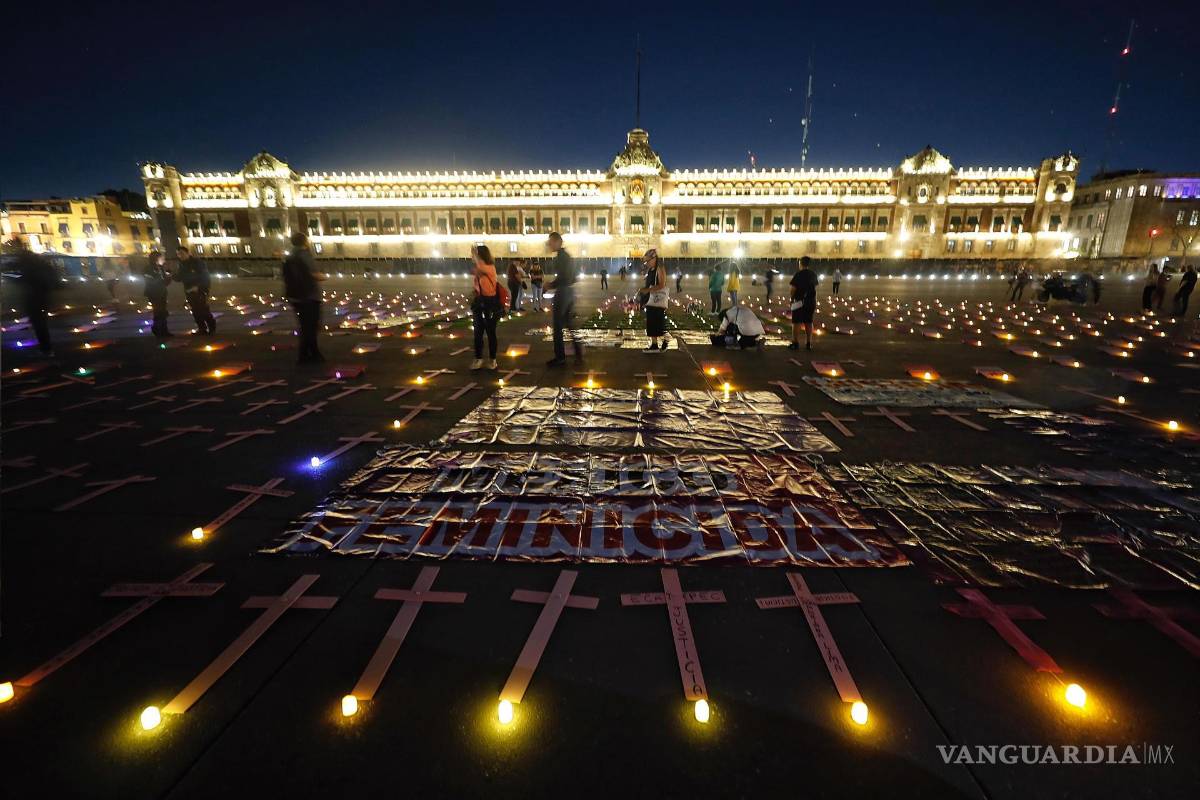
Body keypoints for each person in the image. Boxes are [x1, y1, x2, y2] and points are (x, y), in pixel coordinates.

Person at [282, 232, 326, 363]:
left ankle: (309, 353)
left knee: (304, 325)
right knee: (311, 326)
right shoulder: (304, 255)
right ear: (305, 241)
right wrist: (322, 277)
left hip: (295, 297)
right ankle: (307, 355)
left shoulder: (289, 256)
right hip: (309, 296)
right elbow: (314, 274)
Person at [10, 237, 58, 355]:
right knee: (40, 321)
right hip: (42, 295)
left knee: (38, 322)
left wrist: (15, 279)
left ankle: (46, 348)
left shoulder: (26, 263)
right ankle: (46, 347)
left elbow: (24, 277)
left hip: (34, 296)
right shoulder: (36, 261)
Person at [544, 232, 582, 366]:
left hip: (563, 292)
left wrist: (551, 285)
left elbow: (564, 277)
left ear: (558, 242)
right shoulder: (568, 257)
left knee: (558, 326)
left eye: (551, 242)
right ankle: (578, 352)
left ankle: (560, 357)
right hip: (569, 292)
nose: (549, 245)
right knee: (569, 325)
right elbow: (574, 276)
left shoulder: (561, 258)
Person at [469, 244, 501, 370]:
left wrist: (474, 253)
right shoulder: (480, 267)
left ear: (481, 255)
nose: (472, 257)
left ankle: (493, 359)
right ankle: (478, 359)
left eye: (476, 254)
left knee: (490, 332)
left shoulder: (489, 267)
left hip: (490, 303)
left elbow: (479, 268)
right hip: (479, 302)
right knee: (477, 332)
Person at [177, 246, 216, 334]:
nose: (180, 256)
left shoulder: (197, 262)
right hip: (189, 291)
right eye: (179, 254)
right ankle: (202, 328)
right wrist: (171, 275)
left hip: (200, 291)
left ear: (188, 253)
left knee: (204, 310)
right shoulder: (181, 265)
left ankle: (212, 328)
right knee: (195, 311)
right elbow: (180, 277)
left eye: (182, 254)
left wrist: (200, 287)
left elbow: (205, 276)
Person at [637, 249, 669, 353]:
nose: (646, 263)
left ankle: (666, 337)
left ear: (654, 258)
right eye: (645, 261)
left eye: (648, 261)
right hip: (650, 299)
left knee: (657, 322)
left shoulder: (660, 268)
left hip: (657, 299)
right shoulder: (650, 269)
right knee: (651, 322)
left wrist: (647, 290)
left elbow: (662, 285)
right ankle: (654, 345)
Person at [789, 256, 818, 351]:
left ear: (800, 263)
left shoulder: (798, 274)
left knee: (796, 322)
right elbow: (814, 288)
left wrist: (791, 299)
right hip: (811, 301)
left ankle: (795, 343)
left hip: (799, 301)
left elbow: (793, 289)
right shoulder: (813, 274)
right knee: (808, 322)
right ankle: (808, 343)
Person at [143, 251, 173, 338]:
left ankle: (164, 331)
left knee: (162, 312)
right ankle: (158, 330)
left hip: (162, 293)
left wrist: (169, 276)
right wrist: (161, 279)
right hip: (154, 293)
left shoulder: (160, 268)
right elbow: (150, 281)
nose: (163, 259)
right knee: (159, 312)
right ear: (156, 259)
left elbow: (165, 283)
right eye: (161, 257)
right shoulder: (148, 268)